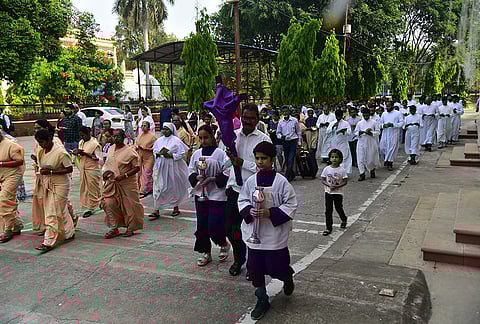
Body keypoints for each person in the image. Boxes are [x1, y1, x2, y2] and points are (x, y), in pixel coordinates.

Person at [238, 141, 297, 320]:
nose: (260, 162)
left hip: (274, 234)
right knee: (255, 267)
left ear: (272, 160)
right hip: (254, 233)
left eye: (264, 158)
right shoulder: (251, 181)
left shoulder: (282, 182)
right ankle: (261, 298)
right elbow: (242, 200)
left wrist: (269, 212)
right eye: (257, 158)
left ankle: (286, 276)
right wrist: (249, 211)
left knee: (275, 266)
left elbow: (291, 204)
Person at [224, 103, 272, 277]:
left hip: (254, 192)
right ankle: (239, 257)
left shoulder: (263, 139)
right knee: (230, 228)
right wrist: (229, 159)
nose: (248, 121)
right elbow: (225, 164)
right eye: (245, 117)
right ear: (241, 117)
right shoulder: (232, 137)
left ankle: (253, 266)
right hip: (235, 189)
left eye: (252, 118)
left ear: (257, 119)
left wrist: (243, 163)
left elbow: (266, 167)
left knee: (254, 231)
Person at [188, 125, 231, 266]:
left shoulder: (220, 154)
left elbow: (227, 171)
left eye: (206, 137)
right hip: (201, 193)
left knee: (215, 223)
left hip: (217, 194)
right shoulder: (196, 154)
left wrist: (213, 179)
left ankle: (223, 242)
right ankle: (206, 251)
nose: (203, 140)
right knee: (202, 225)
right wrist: (196, 177)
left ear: (212, 137)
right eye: (200, 138)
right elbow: (190, 170)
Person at [33, 129, 75, 252]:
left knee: (52, 211)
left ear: (49, 140)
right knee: (60, 209)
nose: (40, 145)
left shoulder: (61, 152)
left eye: (42, 142)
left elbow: (69, 169)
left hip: (61, 184)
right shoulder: (41, 151)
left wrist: (51, 171)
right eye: (38, 142)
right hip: (48, 183)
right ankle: (69, 232)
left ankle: (48, 241)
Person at [102, 129, 144, 238]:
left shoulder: (130, 151)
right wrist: (105, 174)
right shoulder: (111, 149)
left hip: (127, 183)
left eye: (118, 137)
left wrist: (124, 176)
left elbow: (137, 168)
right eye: (114, 136)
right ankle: (114, 227)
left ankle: (131, 227)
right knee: (108, 203)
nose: (116, 138)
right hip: (112, 184)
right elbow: (107, 165)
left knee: (130, 206)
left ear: (123, 138)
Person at [149, 123, 190, 219]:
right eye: (163, 129)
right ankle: (156, 209)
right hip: (160, 167)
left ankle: (175, 208)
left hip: (171, 168)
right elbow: (154, 151)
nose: (164, 131)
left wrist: (171, 156)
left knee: (173, 187)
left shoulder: (176, 141)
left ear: (171, 130)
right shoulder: (159, 140)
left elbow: (181, 154)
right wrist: (158, 154)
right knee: (158, 187)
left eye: (166, 129)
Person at [31, 120, 64, 234]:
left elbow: (61, 161)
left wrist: (49, 170)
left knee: (57, 205)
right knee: (42, 200)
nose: (36, 130)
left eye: (38, 128)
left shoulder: (55, 142)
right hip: (42, 176)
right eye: (35, 128)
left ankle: (54, 228)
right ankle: (46, 226)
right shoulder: (39, 141)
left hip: (55, 178)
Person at [72, 126, 102, 218]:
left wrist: (84, 153)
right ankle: (86, 206)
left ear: (88, 134)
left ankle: (93, 206)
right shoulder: (81, 142)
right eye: (80, 135)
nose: (82, 137)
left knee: (93, 187)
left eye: (83, 135)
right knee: (84, 188)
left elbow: (98, 158)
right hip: (83, 168)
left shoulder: (94, 144)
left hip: (92, 168)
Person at [0, 131, 25, 243]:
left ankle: (8, 229)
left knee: (5, 200)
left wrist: (1, 164)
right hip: (1, 176)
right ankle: (17, 225)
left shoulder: (11, 145)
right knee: (7, 201)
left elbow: (19, 161)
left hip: (12, 175)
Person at [321, 149, 348, 236]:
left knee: (338, 207)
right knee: (328, 210)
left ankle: (343, 218)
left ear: (340, 159)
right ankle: (328, 227)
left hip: (338, 193)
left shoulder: (342, 170)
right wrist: (328, 186)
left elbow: (345, 181)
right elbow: (323, 179)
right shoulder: (327, 169)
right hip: (328, 192)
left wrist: (337, 186)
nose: (334, 159)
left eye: (336, 157)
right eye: (332, 157)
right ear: (329, 158)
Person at [355, 108, 381, 181]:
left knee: (370, 158)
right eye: (364, 115)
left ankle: (372, 170)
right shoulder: (360, 123)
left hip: (371, 143)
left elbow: (378, 132)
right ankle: (362, 173)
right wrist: (360, 132)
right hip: (361, 142)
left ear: (369, 115)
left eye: (367, 115)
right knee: (360, 158)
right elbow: (356, 132)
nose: (366, 116)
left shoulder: (374, 122)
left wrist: (371, 133)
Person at [276, 106, 302, 181]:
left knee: (291, 158)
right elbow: (278, 133)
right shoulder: (280, 122)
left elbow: (298, 131)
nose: (285, 113)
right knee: (287, 159)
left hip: (293, 141)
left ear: (289, 111)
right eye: (284, 112)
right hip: (285, 141)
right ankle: (292, 174)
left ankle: (287, 175)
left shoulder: (294, 120)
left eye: (286, 111)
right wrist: (281, 137)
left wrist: (299, 142)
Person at [380, 102, 404, 170]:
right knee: (382, 148)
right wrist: (383, 126)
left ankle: (390, 163)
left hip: (394, 133)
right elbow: (380, 123)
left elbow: (402, 123)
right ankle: (386, 159)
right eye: (386, 106)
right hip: (385, 133)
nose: (387, 108)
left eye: (389, 106)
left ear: (392, 106)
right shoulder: (384, 114)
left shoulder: (398, 113)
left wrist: (393, 125)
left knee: (392, 148)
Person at [135, 121, 157, 198]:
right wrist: (137, 148)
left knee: (147, 173)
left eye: (145, 126)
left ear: (148, 127)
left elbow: (155, 148)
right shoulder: (140, 135)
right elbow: (136, 144)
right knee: (139, 173)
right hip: (140, 156)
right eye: (142, 125)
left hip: (149, 157)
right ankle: (140, 189)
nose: (143, 127)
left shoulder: (152, 137)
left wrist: (146, 148)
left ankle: (146, 190)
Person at [326, 109, 352, 174]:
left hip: (343, 143)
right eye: (337, 116)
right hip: (334, 143)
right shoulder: (332, 123)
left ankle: (344, 173)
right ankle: (336, 172)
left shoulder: (346, 123)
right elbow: (327, 132)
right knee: (335, 158)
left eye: (339, 116)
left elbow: (349, 132)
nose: (338, 118)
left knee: (344, 157)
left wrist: (344, 131)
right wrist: (333, 127)